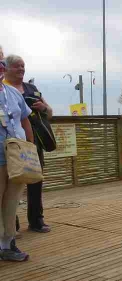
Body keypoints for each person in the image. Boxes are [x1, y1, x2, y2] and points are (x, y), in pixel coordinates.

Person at [4, 54, 53, 233]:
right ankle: (12, 224)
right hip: (11, 142)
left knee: (35, 179)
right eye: (17, 66)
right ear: (6, 68)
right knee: (11, 183)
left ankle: (36, 220)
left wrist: (44, 108)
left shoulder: (31, 88)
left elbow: (50, 113)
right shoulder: (4, 88)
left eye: (23, 66)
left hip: (34, 141)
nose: (21, 69)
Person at [0, 59, 33, 261]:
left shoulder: (12, 92)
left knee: (12, 202)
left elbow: (25, 119)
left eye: (1, 62)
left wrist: (30, 146)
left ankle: (8, 243)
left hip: (16, 157)